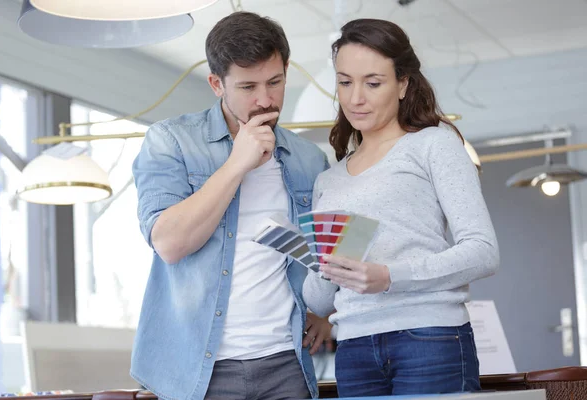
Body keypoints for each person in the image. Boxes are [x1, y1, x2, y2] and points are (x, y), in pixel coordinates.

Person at [131, 11, 332, 400]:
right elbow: (170, 244)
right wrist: (238, 163)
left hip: (286, 363)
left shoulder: (309, 159)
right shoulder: (170, 141)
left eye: (275, 82)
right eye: (247, 86)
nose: (265, 100)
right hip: (199, 368)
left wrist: (326, 312)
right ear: (216, 84)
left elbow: (324, 253)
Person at [303, 18, 499, 398]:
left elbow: (483, 252)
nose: (355, 98)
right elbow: (321, 299)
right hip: (355, 347)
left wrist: (389, 276)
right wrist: (319, 260)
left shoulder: (433, 145)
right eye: (345, 82)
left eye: (373, 83)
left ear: (403, 84)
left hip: (429, 338)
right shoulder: (328, 180)